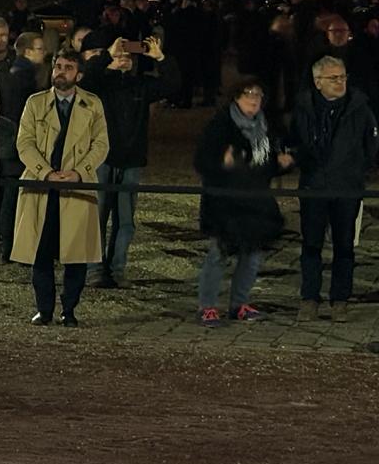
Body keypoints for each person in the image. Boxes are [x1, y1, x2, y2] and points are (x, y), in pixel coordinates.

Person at [11, 49, 109, 327]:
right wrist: (45, 172)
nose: (60, 72)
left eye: (68, 67)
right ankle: (44, 309)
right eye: (57, 66)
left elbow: (101, 144)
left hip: (76, 188)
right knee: (41, 252)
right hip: (42, 188)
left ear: (78, 75)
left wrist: (79, 172)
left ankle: (69, 310)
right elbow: (24, 143)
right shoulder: (35, 103)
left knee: (76, 254)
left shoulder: (93, 105)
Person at [193, 78, 295, 326]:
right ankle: (207, 306)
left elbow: (263, 165)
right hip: (225, 200)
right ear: (236, 97)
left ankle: (239, 303)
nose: (253, 99)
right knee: (219, 252)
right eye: (248, 94)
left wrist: (281, 164)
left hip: (255, 200)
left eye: (258, 95)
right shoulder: (221, 124)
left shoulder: (265, 126)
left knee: (252, 254)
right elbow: (202, 162)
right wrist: (223, 163)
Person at [81, 34, 180, 287]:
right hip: (103, 158)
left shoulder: (141, 86)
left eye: (128, 55)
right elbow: (86, 80)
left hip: (132, 159)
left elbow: (173, 86)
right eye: (120, 55)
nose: (124, 59)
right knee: (97, 218)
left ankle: (117, 270)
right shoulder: (101, 84)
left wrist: (160, 58)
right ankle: (94, 270)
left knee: (125, 221)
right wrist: (106, 58)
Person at [290, 57, 379, 322]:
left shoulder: (360, 108)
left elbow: (371, 145)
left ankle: (340, 299)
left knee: (344, 246)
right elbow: (294, 139)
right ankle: (310, 298)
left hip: (346, 187)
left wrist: (357, 169)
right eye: (334, 78)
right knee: (311, 244)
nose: (340, 82)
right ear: (318, 82)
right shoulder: (304, 107)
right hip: (314, 187)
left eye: (342, 76)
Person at [0, 32, 45, 258]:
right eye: (39, 49)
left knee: (11, 191)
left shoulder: (15, 73)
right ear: (27, 51)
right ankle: (10, 245)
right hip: (18, 142)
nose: (43, 53)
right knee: (13, 194)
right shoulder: (24, 78)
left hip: (11, 140)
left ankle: (9, 244)